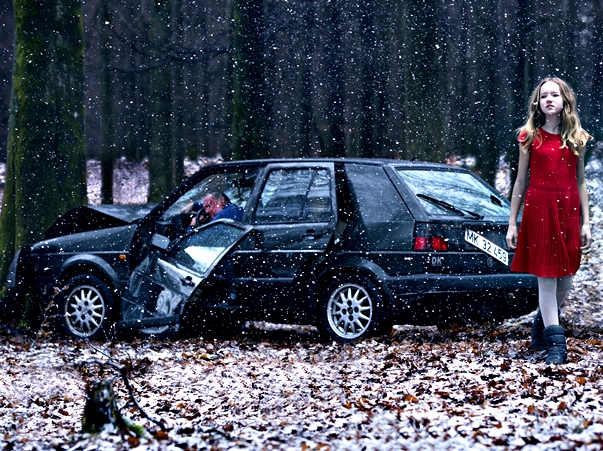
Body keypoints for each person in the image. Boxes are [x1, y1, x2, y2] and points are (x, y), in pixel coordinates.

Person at [506, 77, 593, 365]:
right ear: (538, 103)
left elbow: (581, 181)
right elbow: (519, 182)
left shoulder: (577, 137)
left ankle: (539, 328)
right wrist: (512, 223)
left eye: (555, 95)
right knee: (546, 278)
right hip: (539, 207)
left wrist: (586, 222)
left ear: (565, 100)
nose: (549, 100)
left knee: (566, 278)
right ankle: (556, 346)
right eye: (544, 96)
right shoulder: (529, 136)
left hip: (568, 209)